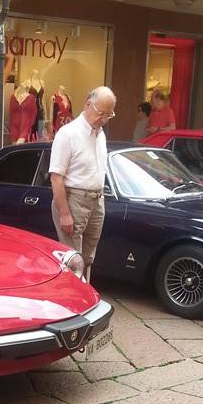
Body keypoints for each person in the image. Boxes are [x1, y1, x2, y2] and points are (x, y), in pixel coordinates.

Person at [50, 86, 116, 282]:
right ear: (88, 104)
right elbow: (56, 176)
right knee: (73, 259)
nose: (104, 119)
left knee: (88, 258)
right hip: (74, 198)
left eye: (109, 114)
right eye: (101, 113)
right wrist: (64, 212)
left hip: (97, 199)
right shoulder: (68, 134)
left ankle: (86, 297)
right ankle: (72, 300)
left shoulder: (100, 134)